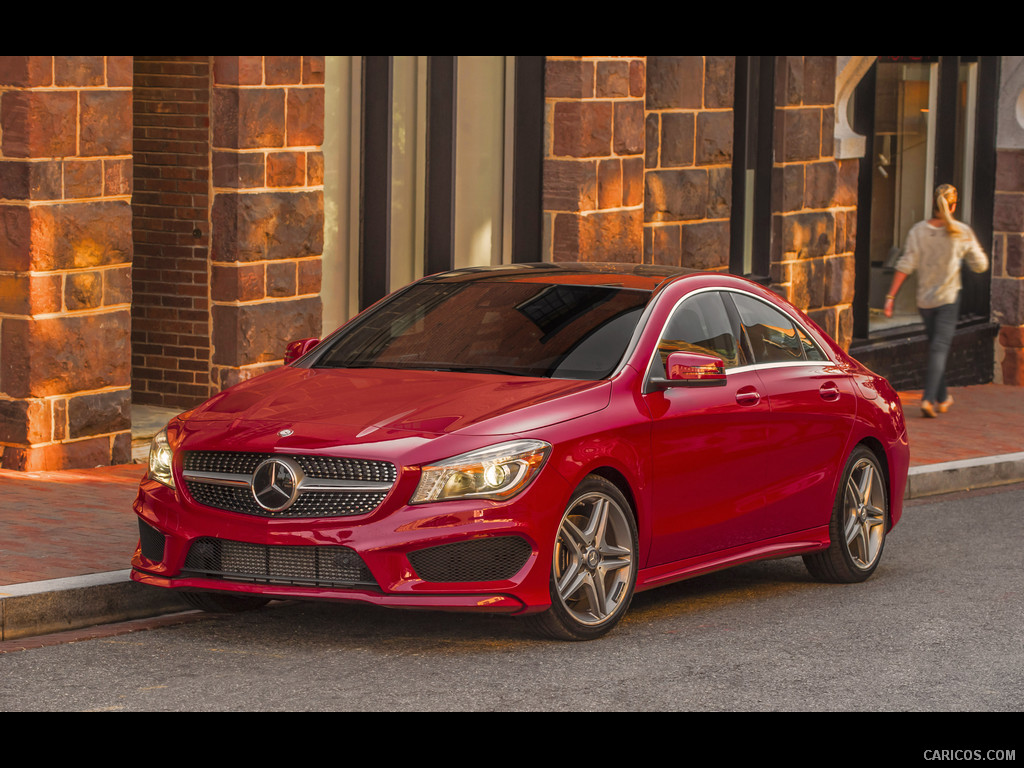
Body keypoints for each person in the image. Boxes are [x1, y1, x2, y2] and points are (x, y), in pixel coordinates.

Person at [884, 184, 989, 418]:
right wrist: (966, 262)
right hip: (948, 299)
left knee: (936, 347)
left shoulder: (918, 231)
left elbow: (905, 265)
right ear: (953, 205)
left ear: (933, 203)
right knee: (939, 348)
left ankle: (942, 397)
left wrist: (890, 297)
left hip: (925, 302)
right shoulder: (961, 232)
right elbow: (981, 264)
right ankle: (928, 399)